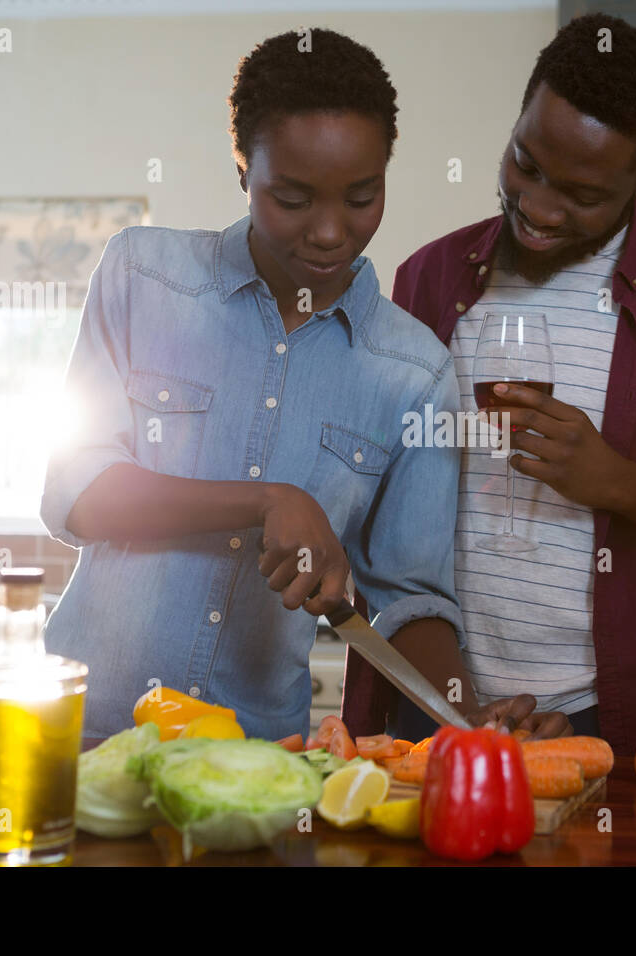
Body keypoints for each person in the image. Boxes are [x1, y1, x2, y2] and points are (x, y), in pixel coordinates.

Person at [343, 13, 636, 754]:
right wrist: (466, 712)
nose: (537, 206)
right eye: (525, 163)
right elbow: (389, 517)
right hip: (436, 704)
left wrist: (619, 483)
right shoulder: (430, 277)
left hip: (620, 721)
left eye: (582, 193)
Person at [40, 28, 530, 739]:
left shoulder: (416, 371)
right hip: (80, 735)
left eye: (361, 198)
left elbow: (409, 600)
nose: (331, 232)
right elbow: (78, 494)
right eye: (293, 199)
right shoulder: (143, 276)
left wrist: (467, 709)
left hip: (261, 761)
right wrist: (268, 501)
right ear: (243, 169)